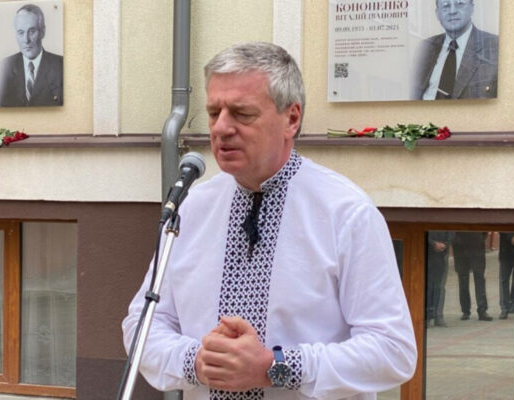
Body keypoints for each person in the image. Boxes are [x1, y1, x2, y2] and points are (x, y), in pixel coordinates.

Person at [122, 42, 416, 399]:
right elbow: (142, 325)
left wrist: (275, 366)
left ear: (291, 119)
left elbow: (392, 350)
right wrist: (195, 362)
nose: (222, 128)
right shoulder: (193, 208)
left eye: (242, 114)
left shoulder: (346, 212)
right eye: (214, 113)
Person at [411, 0, 498, 100]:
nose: (452, 11)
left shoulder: (494, 46)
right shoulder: (425, 47)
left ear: (472, 8)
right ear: (437, 14)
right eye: (445, 6)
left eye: (460, 4)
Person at [0, 4, 63, 107]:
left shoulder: (61, 66)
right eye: (21, 32)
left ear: (43, 32)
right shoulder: (4, 67)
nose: (26, 40)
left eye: (32, 31)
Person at [451, 232, 492, 321]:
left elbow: (484, 229)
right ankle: (465, 311)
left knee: (480, 278)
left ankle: (482, 310)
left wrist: (480, 238)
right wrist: (455, 240)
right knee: (463, 280)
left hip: (476, 246)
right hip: (460, 247)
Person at [426, 231, 454, 327]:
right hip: (427, 253)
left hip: (442, 255)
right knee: (428, 286)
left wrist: (445, 244)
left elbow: (452, 232)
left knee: (439, 287)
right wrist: (433, 243)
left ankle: (438, 316)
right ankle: (427, 317)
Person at [498, 232, 514, 319]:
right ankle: (504, 308)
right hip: (505, 251)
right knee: (504, 280)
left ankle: (513, 304)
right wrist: (513, 238)